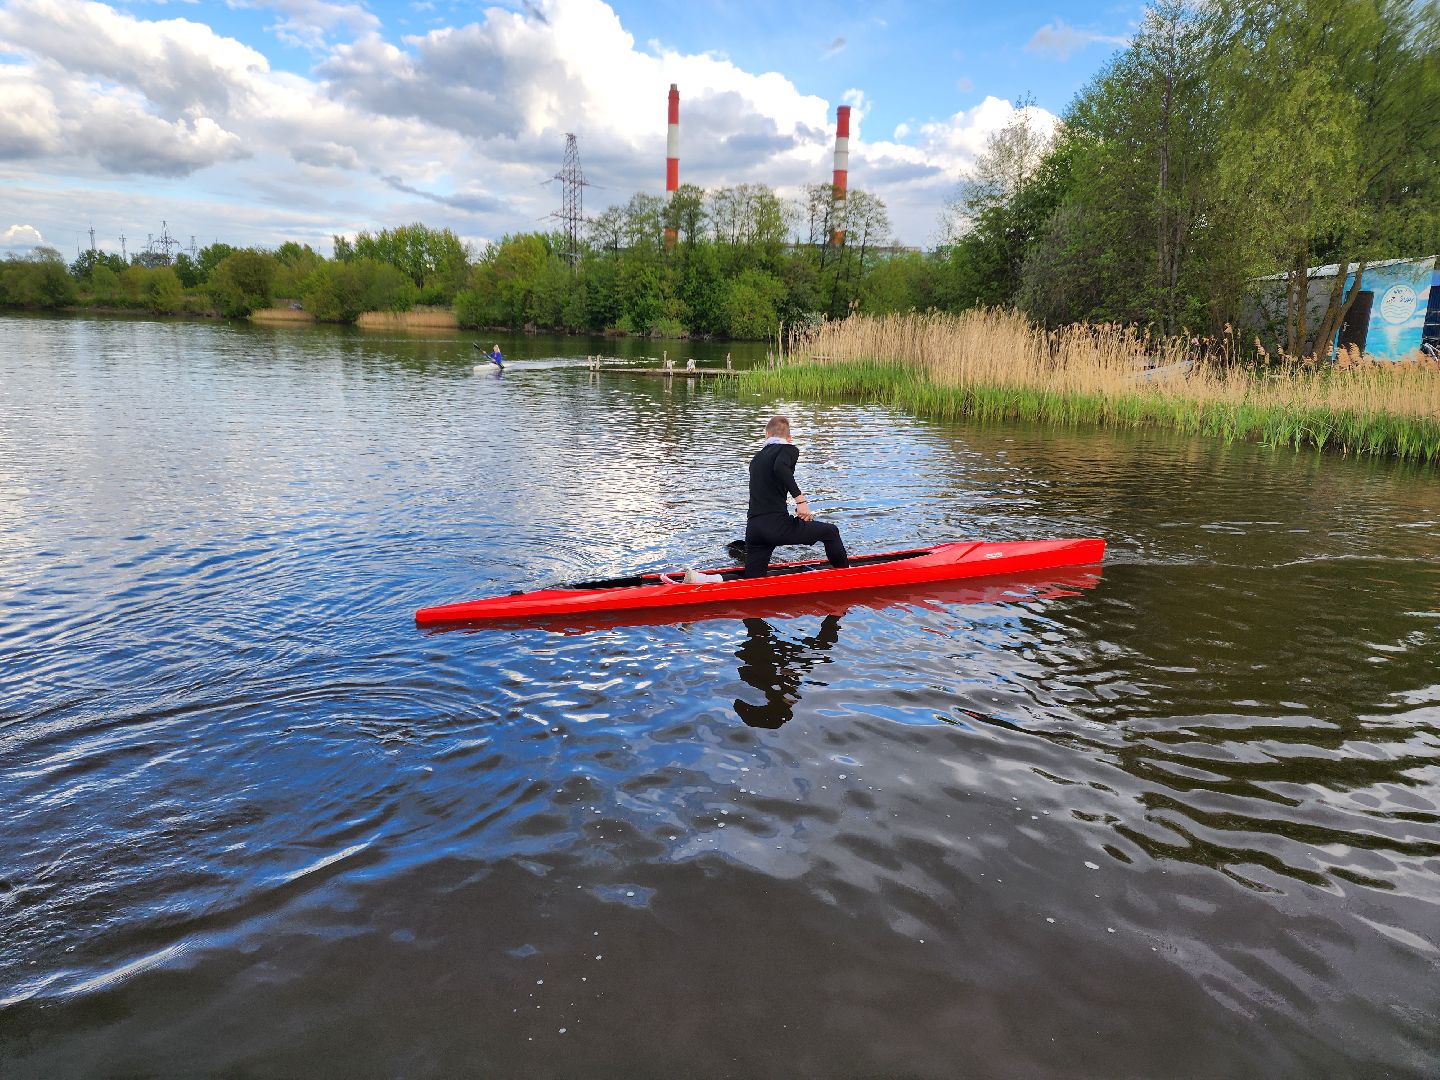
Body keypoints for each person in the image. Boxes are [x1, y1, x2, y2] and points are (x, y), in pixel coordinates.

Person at [743, 415, 848, 578]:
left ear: (767, 435)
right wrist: (800, 501)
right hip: (776, 526)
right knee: (831, 532)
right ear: (789, 438)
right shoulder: (788, 449)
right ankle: (847, 577)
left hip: (754, 528)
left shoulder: (756, 459)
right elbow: (780, 467)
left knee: (751, 581)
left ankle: (707, 580)